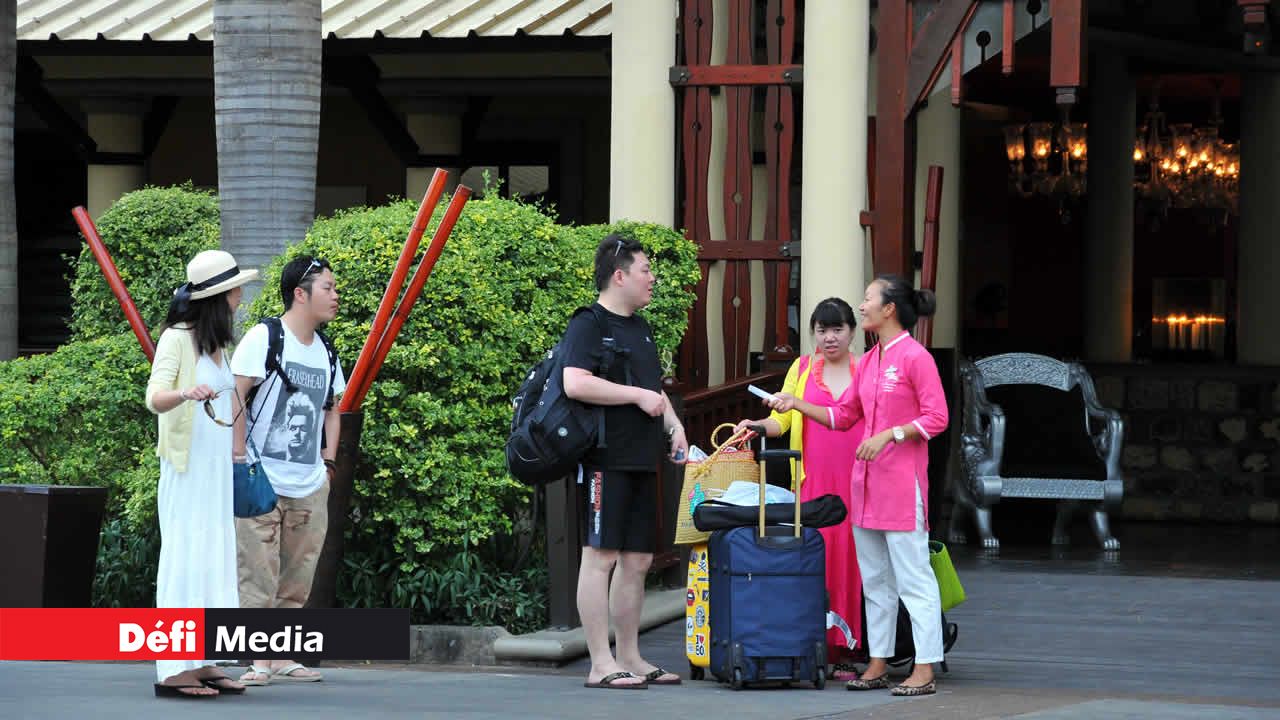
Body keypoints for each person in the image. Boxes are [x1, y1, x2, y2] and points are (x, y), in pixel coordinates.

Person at [764, 275, 948, 697]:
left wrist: (891, 435)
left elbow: (937, 419)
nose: (861, 306)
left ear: (889, 310)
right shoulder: (869, 362)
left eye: (867, 300)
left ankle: (923, 667)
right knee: (876, 581)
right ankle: (878, 661)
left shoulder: (916, 358)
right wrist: (796, 404)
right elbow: (841, 416)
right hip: (864, 489)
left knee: (913, 580)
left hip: (902, 488)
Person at [561, 234, 689, 689]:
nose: (652, 278)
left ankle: (630, 655)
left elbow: (655, 390)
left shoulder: (641, 327)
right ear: (619, 276)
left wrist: (674, 426)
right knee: (601, 557)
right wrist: (637, 397)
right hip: (603, 457)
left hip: (641, 457)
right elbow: (575, 382)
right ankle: (600, 663)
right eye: (645, 270)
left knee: (637, 560)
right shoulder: (588, 323)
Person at [145, 250, 258, 699]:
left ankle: (203, 659)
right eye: (235, 289)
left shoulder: (216, 345)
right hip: (187, 469)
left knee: (213, 558)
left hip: (212, 472)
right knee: (184, 560)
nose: (240, 296)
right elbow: (154, 396)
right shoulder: (176, 338)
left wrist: (237, 452)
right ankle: (173, 668)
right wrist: (184, 392)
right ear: (218, 296)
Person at [734, 298, 865, 678]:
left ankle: (852, 651)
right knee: (816, 561)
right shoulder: (802, 367)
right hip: (815, 482)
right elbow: (783, 421)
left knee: (856, 564)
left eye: (837, 329)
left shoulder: (867, 367)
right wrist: (759, 425)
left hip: (859, 481)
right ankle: (813, 645)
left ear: (852, 332)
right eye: (821, 330)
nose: (829, 337)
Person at [232, 257, 345, 686]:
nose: (336, 296)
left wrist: (329, 464)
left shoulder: (327, 349)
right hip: (263, 478)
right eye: (328, 288)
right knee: (257, 573)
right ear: (301, 293)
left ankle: (280, 656)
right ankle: (256, 661)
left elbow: (334, 409)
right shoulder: (266, 337)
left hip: (309, 482)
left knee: (298, 576)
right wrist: (240, 457)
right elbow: (236, 394)